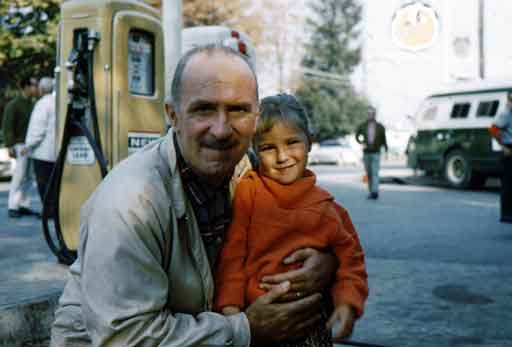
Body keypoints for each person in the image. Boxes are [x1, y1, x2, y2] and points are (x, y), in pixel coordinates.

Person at [51, 45, 339, 347]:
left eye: (238, 110)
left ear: (256, 118)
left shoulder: (250, 167)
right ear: (173, 115)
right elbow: (127, 337)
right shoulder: (130, 202)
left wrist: (324, 262)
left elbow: (310, 223)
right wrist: (246, 330)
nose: (221, 130)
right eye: (203, 109)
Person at [214, 94, 368, 347]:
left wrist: (347, 303)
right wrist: (230, 310)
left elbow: (351, 261)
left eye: (292, 142)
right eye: (268, 148)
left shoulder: (327, 208)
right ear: (254, 149)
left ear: (310, 143)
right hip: (257, 317)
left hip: (309, 321)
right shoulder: (249, 192)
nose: (282, 156)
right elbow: (233, 254)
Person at [2, 76, 39, 218]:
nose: (36, 88)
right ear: (26, 87)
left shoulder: (32, 104)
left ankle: (23, 204)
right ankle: (13, 206)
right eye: (34, 85)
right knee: (19, 175)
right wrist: (10, 145)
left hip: (30, 145)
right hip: (19, 144)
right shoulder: (14, 105)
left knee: (29, 177)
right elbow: (8, 126)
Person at [23, 77, 57, 217]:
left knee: (44, 183)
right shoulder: (59, 102)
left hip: (43, 152)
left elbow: (37, 129)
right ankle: (55, 210)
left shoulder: (42, 104)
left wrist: (28, 145)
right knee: (54, 183)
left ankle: (48, 211)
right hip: (56, 151)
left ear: (42, 89)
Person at [355, 106, 388, 200]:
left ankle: (375, 192)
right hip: (366, 153)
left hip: (376, 153)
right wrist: (361, 142)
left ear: (374, 114)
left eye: (372, 113)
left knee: (375, 172)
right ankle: (371, 191)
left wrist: (386, 150)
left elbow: (384, 140)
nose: (370, 115)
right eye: (368, 113)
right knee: (369, 173)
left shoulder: (380, 126)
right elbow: (357, 136)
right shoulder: (363, 125)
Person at [491, 93, 512, 223]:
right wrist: (503, 147)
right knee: (508, 184)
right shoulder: (506, 113)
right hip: (509, 149)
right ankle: (507, 214)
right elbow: (493, 129)